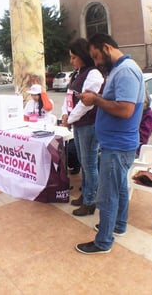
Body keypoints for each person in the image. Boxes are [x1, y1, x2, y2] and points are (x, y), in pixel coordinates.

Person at [75, 33, 144, 254]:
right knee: (120, 188)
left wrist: (95, 100)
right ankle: (118, 225)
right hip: (117, 143)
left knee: (107, 195)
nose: (95, 62)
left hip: (117, 145)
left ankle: (103, 241)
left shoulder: (125, 71)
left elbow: (125, 109)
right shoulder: (120, 69)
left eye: (96, 56)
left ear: (106, 47)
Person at [60, 38, 104, 216]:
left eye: (73, 57)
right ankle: (85, 194)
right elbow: (69, 97)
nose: (71, 61)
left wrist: (69, 118)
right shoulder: (77, 73)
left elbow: (86, 103)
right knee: (83, 162)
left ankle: (90, 200)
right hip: (78, 124)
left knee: (89, 164)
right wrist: (65, 113)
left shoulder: (93, 74)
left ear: (83, 56)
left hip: (88, 125)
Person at [137, 89, 152, 156]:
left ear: (147, 103)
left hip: (138, 148)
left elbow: (144, 136)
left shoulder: (148, 115)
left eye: (144, 102)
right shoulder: (140, 113)